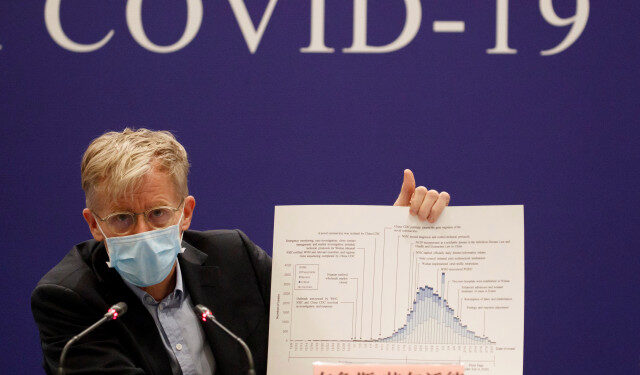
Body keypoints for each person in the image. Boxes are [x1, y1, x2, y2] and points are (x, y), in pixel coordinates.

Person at [31, 128, 451, 375]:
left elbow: (328, 325)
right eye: (122, 218)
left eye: (158, 213)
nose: (142, 231)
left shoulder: (235, 259)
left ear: (186, 214)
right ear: (93, 225)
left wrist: (393, 238)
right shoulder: (68, 300)